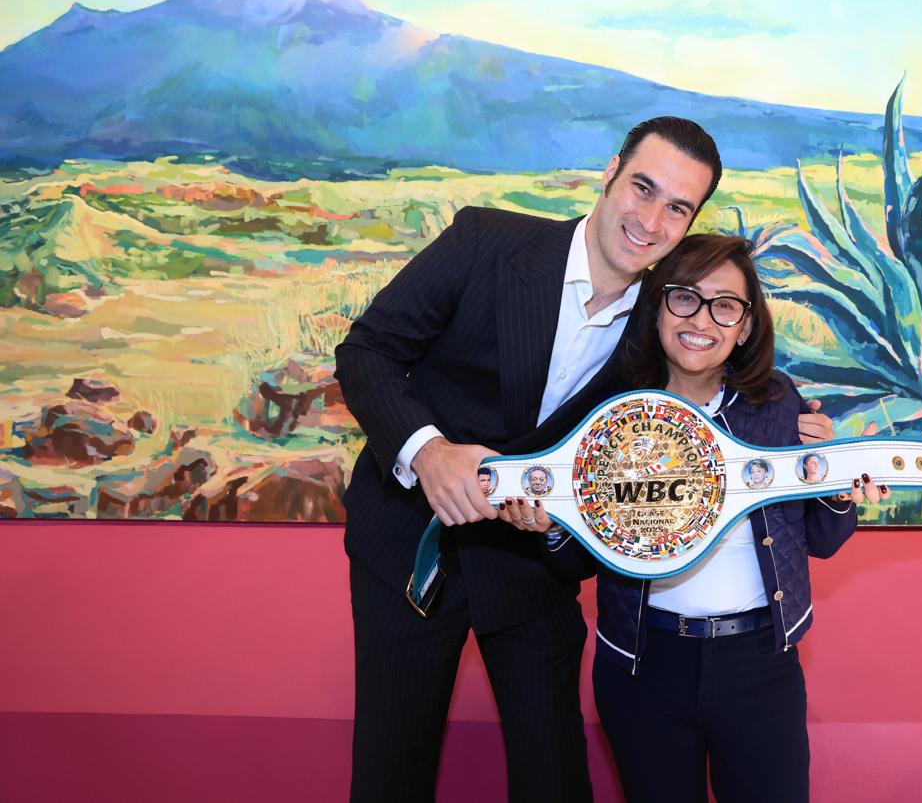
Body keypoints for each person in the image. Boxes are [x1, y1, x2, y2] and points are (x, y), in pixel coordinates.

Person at [334, 117, 835, 803]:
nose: (651, 218)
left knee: (555, 780)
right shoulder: (485, 241)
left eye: (678, 207)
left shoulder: (662, 335)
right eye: (643, 187)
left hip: (531, 571)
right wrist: (430, 454)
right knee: (392, 774)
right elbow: (366, 351)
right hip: (409, 551)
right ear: (609, 173)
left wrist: (823, 467)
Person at [504, 234, 889, 803]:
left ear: (746, 326)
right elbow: (580, 563)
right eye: (685, 297)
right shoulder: (612, 410)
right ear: (658, 305)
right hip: (641, 666)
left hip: (760, 663)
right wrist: (553, 527)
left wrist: (831, 483)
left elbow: (821, 539)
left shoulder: (778, 402)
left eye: (725, 305)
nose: (702, 319)